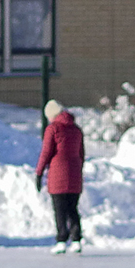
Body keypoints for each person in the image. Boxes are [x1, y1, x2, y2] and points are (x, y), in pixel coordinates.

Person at [37, 100, 86, 255]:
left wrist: (39, 173)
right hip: (75, 175)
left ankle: (61, 240)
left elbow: (46, 153)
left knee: (59, 209)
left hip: (58, 175)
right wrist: (78, 169)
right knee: (73, 209)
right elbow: (81, 154)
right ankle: (77, 239)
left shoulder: (53, 129)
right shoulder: (77, 130)